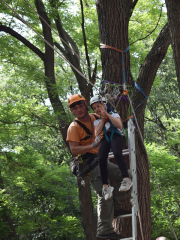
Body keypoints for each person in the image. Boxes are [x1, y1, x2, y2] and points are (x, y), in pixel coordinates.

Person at [66, 94, 130, 240]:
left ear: (85, 105)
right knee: (104, 192)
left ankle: (117, 207)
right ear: (72, 111)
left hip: (100, 159)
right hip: (88, 162)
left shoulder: (95, 116)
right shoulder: (74, 127)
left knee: (125, 175)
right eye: (74, 108)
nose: (79, 109)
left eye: (80, 105)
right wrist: (92, 146)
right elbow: (74, 150)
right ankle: (104, 231)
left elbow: (111, 119)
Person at [90, 95, 133, 201]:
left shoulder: (113, 114)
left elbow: (119, 124)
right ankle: (105, 186)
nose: (96, 109)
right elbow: (97, 133)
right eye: (94, 108)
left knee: (117, 153)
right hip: (105, 138)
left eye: (98, 106)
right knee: (101, 159)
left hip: (116, 135)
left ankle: (126, 179)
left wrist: (108, 115)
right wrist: (103, 119)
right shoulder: (97, 121)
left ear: (104, 105)